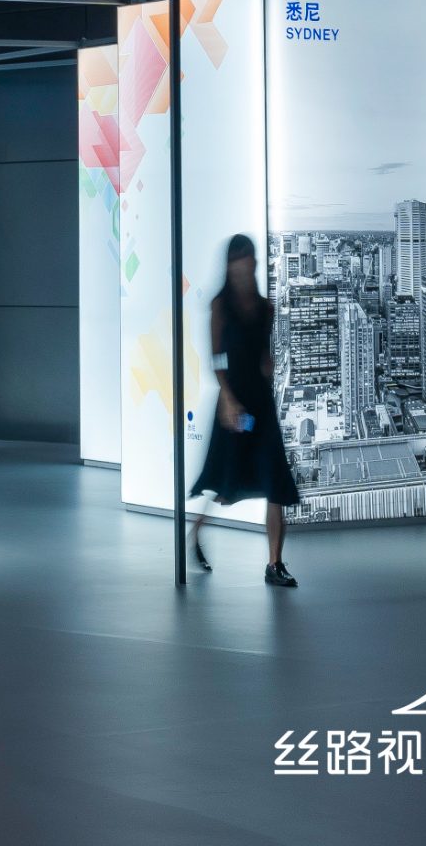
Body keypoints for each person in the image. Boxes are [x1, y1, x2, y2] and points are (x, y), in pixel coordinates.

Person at [188, 233, 302, 586]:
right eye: (238, 258)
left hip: (260, 405)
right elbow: (217, 358)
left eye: (247, 257)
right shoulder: (220, 306)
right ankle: (194, 534)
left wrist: (270, 366)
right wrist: (227, 398)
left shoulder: (266, 308)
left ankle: (274, 564)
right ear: (230, 264)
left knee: (275, 478)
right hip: (234, 405)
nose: (243, 264)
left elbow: (264, 354)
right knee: (226, 479)